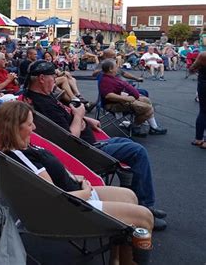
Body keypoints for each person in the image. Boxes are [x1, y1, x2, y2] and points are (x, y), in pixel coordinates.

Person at [0, 101, 154, 264]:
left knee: (130, 196)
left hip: (76, 196)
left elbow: (51, 172)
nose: (34, 128)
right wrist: (85, 191)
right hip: (73, 209)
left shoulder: (24, 147)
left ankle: (116, 259)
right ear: (14, 128)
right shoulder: (20, 155)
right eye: (29, 124)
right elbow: (53, 197)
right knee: (144, 217)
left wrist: (74, 177)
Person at [23, 61, 167, 230]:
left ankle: (136, 196)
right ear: (41, 78)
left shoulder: (37, 97)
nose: (55, 79)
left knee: (127, 143)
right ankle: (145, 206)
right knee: (137, 151)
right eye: (53, 76)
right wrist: (79, 115)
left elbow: (64, 121)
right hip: (84, 151)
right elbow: (69, 139)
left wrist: (85, 119)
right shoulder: (45, 104)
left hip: (88, 144)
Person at [100, 59, 167, 136]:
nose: (118, 68)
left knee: (146, 100)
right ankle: (135, 126)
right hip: (113, 104)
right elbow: (108, 95)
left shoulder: (111, 77)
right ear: (110, 69)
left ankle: (152, 127)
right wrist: (126, 98)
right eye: (116, 66)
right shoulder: (106, 80)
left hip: (120, 100)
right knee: (147, 109)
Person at [189, 52, 206, 149]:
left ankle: (198, 139)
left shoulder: (203, 55)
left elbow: (191, 69)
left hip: (203, 85)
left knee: (203, 112)